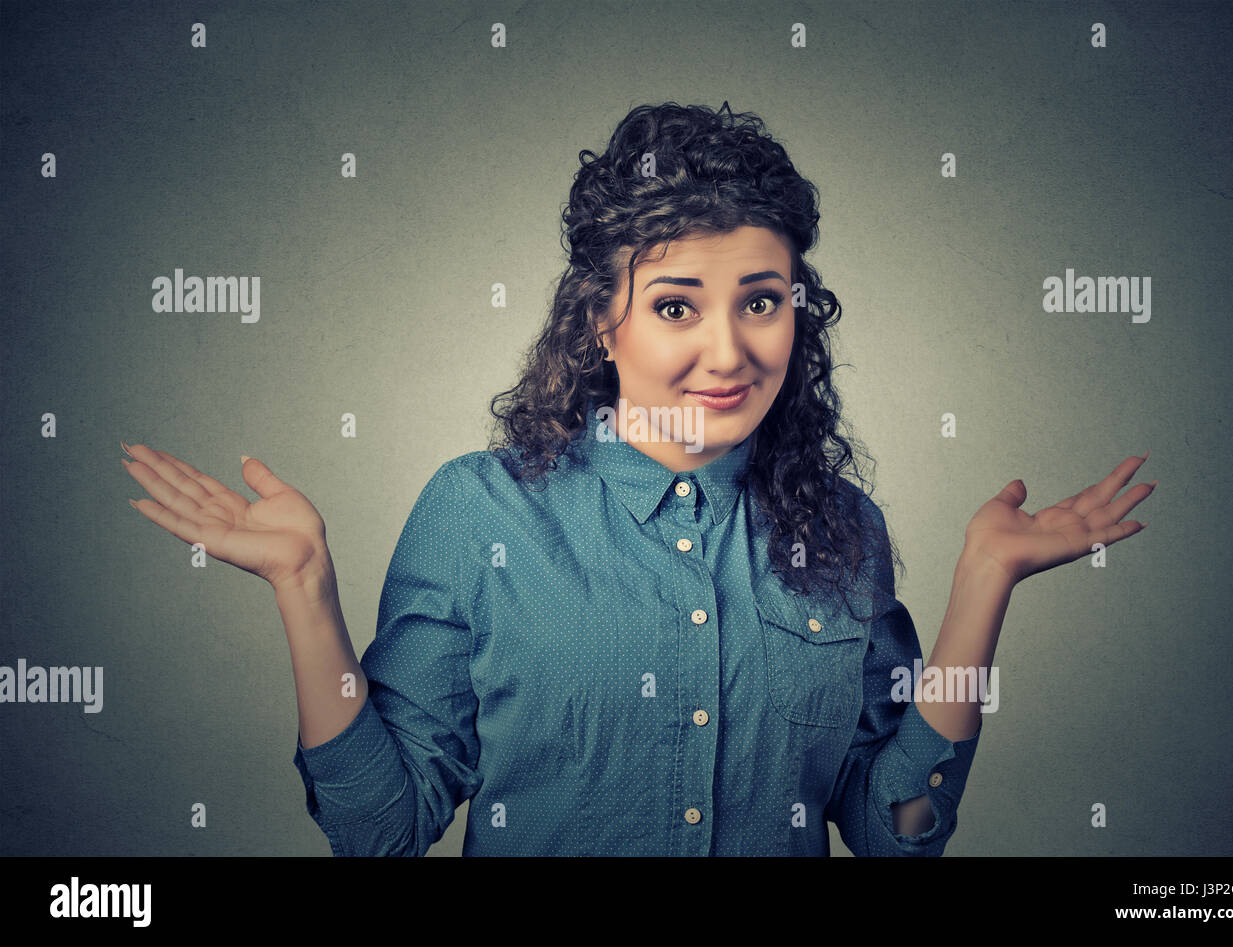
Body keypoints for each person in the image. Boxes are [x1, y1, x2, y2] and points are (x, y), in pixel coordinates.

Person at [121, 101, 1154, 856]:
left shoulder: (844, 531)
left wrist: (982, 584)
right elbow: (382, 829)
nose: (727, 349)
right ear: (599, 320)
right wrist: (304, 588)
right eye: (673, 305)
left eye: (760, 301)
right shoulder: (479, 513)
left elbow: (895, 832)